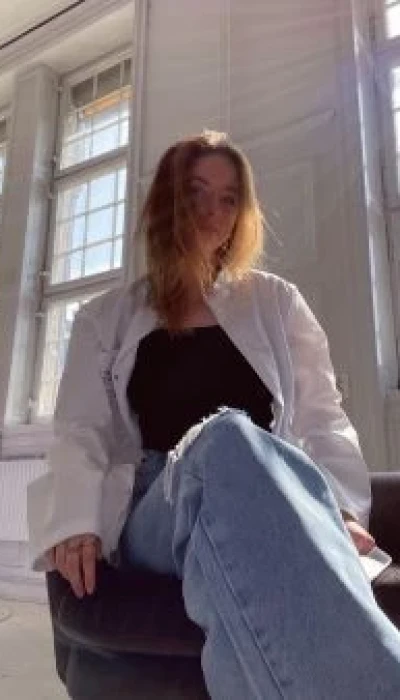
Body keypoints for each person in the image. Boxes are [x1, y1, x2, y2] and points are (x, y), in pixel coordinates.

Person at [28, 129, 400, 698]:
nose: (213, 212)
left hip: (267, 490)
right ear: (166, 202)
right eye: (196, 193)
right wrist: (76, 520)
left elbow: (322, 418)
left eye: (229, 199)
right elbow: (81, 430)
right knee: (226, 438)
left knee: (235, 474)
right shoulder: (105, 317)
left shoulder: (277, 302)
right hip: (155, 507)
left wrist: (341, 510)